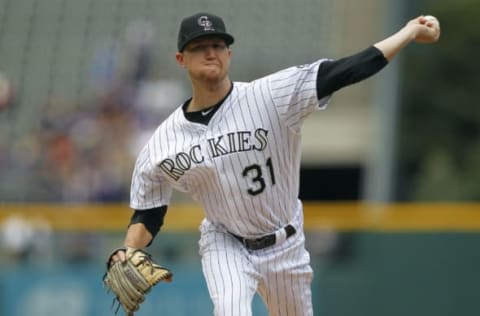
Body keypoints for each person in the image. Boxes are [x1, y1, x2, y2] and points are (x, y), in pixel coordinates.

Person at [108, 12, 440, 315]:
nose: (211, 52)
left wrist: (408, 32)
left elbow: (346, 70)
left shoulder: (270, 96)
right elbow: (149, 212)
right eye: (199, 47)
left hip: (286, 246)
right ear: (181, 59)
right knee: (231, 310)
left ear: (229, 54)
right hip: (225, 241)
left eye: (218, 45)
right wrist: (127, 250)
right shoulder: (163, 142)